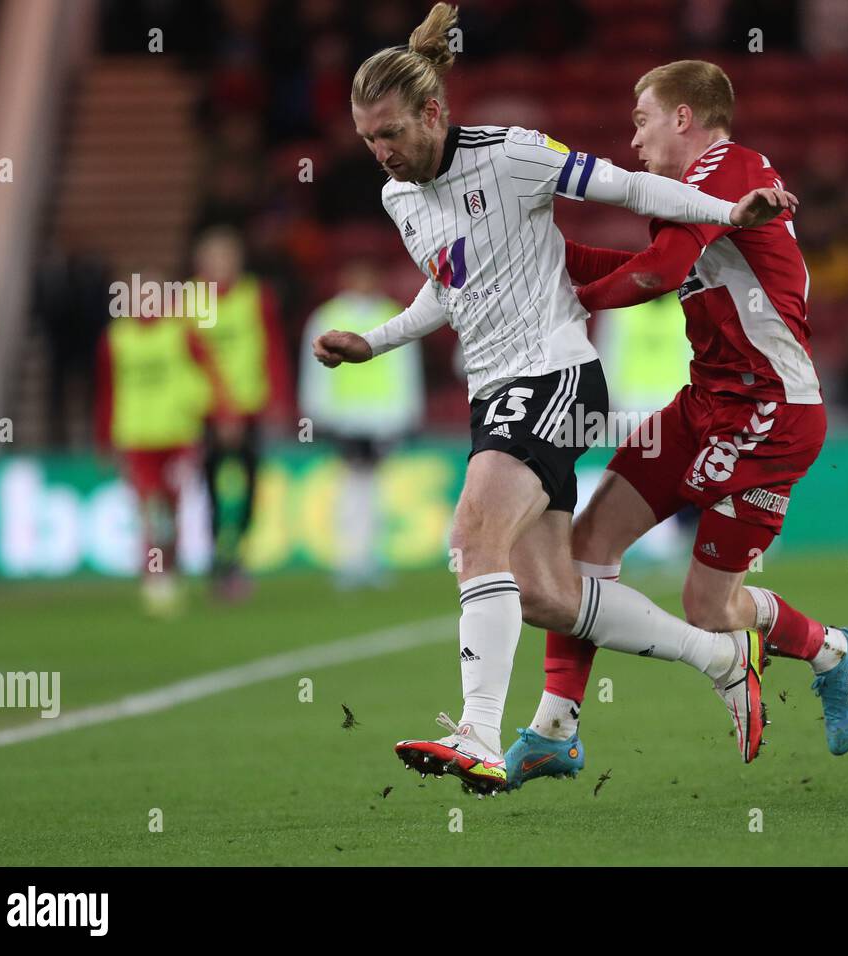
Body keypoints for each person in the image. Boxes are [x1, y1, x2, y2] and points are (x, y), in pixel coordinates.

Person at [311, 3, 796, 794]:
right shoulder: (400, 201)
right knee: (545, 593)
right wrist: (377, 340)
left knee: (473, 535)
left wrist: (726, 213)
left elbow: (632, 187)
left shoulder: (514, 155)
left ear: (434, 110)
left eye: (392, 132)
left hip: (555, 376)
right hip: (495, 391)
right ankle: (720, 657)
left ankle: (475, 732)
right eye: (369, 138)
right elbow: (451, 289)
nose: (381, 153)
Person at [503, 59, 848, 790]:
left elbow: (660, 271)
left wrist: (570, 300)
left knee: (709, 606)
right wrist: (532, 256)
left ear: (682, 118)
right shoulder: (693, 194)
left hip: (770, 415)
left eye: (641, 120)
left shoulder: (727, 170)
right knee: (584, 548)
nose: (632, 141)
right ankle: (554, 729)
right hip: (704, 402)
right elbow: (647, 262)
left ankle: (833, 651)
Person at [94, 269, 235, 615]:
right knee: (151, 509)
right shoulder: (116, 338)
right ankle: (156, 576)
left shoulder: (180, 331)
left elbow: (209, 372)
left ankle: (170, 569)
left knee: (172, 507)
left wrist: (221, 412)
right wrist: (103, 438)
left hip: (178, 435)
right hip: (137, 437)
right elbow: (107, 392)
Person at [298, 259, 425, 587]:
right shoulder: (327, 317)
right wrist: (317, 414)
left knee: (372, 488)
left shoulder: (391, 312)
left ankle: (367, 558)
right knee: (351, 487)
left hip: (381, 418)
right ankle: (350, 559)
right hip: (346, 418)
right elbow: (313, 371)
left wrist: (407, 413)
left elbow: (405, 368)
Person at [191, 226, 293, 600]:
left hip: (250, 408)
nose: (221, 266)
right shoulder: (191, 301)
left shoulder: (256, 296)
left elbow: (272, 348)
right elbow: (189, 358)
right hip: (205, 413)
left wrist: (279, 399)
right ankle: (220, 560)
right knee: (212, 488)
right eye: (214, 259)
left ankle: (237, 556)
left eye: (228, 258)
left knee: (250, 486)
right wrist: (220, 410)